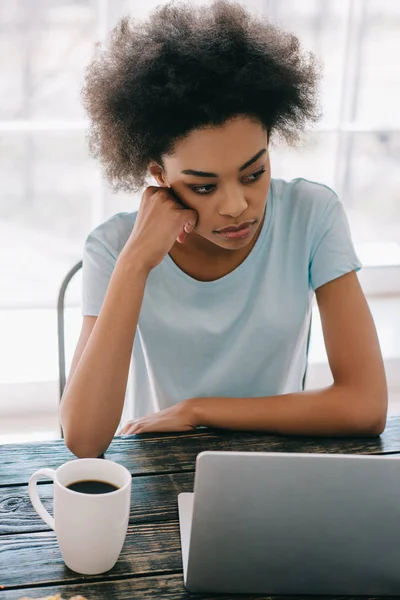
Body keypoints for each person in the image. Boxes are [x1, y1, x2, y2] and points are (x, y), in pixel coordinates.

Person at [59, 0, 387, 459]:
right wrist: (135, 263)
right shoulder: (114, 247)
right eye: (203, 186)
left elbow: (365, 406)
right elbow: (83, 439)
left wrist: (199, 410)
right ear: (159, 175)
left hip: (274, 466)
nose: (236, 206)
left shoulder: (313, 214)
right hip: (160, 470)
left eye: (254, 173)